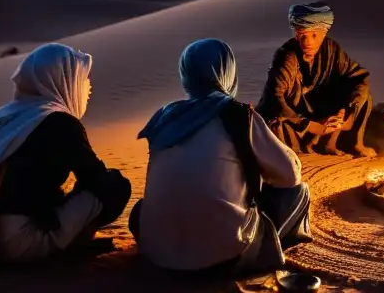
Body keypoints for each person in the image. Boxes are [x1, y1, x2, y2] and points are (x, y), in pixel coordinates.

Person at [130, 38, 311, 274]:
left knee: (141, 210)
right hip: (222, 257)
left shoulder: (164, 116)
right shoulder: (237, 115)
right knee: (299, 192)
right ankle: (267, 252)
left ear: (186, 73)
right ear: (227, 72)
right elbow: (289, 174)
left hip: (158, 255)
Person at [0, 43, 131, 269]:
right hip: (21, 241)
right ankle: (65, 246)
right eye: (84, 79)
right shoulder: (58, 121)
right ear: (63, 79)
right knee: (116, 185)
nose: (88, 88)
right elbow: (95, 178)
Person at [256, 3, 376, 157]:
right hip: (294, 118)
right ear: (296, 34)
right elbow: (276, 98)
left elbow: (359, 77)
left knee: (363, 97)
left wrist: (345, 110)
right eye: (303, 35)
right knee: (277, 128)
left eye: (314, 35)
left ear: (324, 33)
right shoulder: (286, 57)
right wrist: (309, 125)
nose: (308, 42)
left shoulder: (331, 49)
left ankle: (353, 143)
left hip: (322, 113)